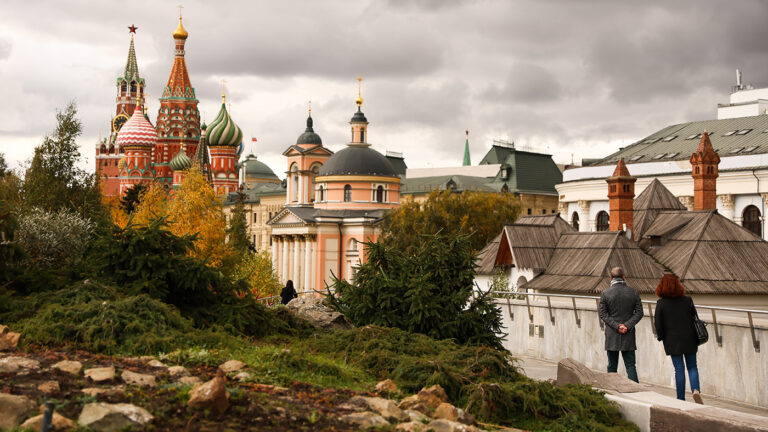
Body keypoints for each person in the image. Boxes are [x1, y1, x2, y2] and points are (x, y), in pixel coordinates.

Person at [654, 273, 703, 404]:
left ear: (662, 286)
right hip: (690, 338)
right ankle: (696, 390)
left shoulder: (661, 303)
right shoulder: (687, 300)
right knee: (692, 367)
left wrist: (661, 337)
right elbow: (695, 318)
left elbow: (658, 324)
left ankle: (680, 398)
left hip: (672, 340)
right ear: (678, 285)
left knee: (679, 369)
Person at [598, 267, 643, 383]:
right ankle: (637, 392)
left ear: (611, 278)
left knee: (612, 366)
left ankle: (613, 391)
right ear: (623, 277)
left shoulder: (605, 293)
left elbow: (603, 314)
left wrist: (617, 326)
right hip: (628, 334)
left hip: (612, 334)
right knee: (630, 366)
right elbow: (639, 313)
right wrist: (627, 325)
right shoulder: (633, 292)